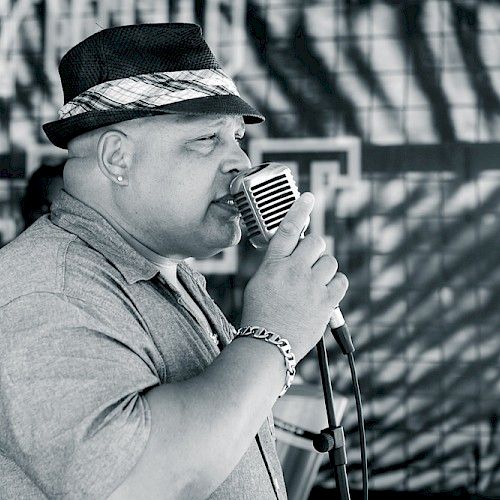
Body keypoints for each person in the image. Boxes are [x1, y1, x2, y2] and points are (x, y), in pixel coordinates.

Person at [0, 23, 348, 499]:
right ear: (117, 157)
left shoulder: (167, 271)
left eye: (237, 136)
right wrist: (275, 337)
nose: (240, 163)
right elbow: (133, 484)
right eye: (207, 138)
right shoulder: (45, 290)